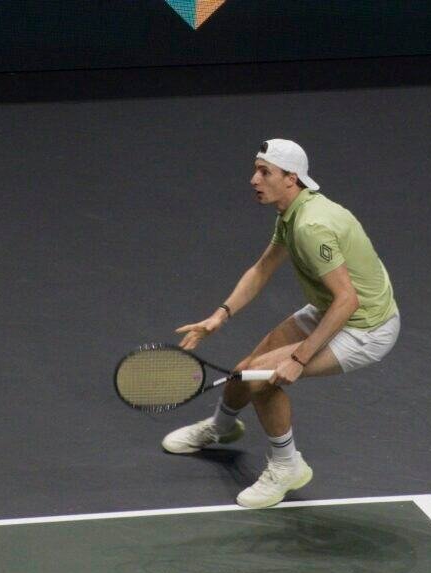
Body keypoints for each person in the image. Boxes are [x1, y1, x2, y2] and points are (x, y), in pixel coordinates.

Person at [162, 139, 400, 508]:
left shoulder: (311, 226)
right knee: (245, 371)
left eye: (264, 172)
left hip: (364, 328)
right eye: (256, 169)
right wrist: (219, 316)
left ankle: (287, 466)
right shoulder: (291, 214)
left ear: (291, 178)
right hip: (332, 308)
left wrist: (300, 358)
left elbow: (348, 300)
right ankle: (221, 428)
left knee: (265, 379)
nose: (254, 179)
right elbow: (261, 270)